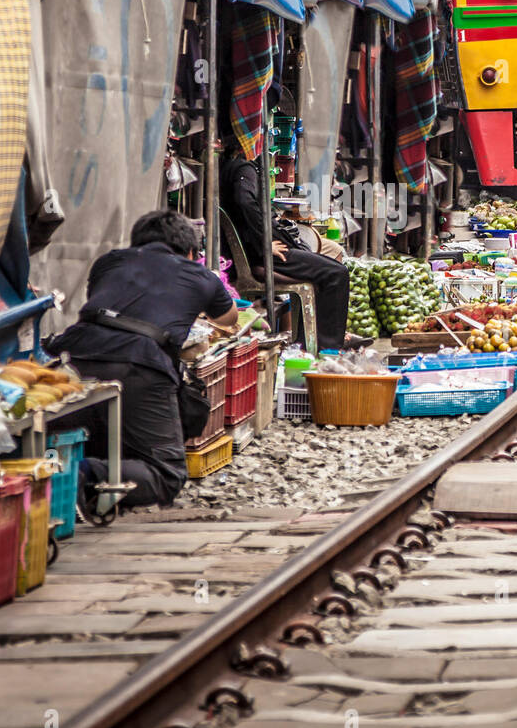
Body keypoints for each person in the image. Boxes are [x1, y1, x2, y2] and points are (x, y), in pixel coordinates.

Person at [45, 210, 236, 511]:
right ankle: (77, 477)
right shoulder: (200, 275)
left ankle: (57, 474)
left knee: (83, 434)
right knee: (167, 474)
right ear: (189, 251)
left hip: (72, 356)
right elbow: (228, 317)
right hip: (140, 363)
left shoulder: (109, 262)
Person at [220, 148, 351, 351]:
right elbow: (244, 201)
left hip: (266, 251)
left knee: (330, 263)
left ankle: (309, 343)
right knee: (336, 274)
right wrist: (264, 243)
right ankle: (329, 349)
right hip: (266, 255)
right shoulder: (242, 168)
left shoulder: (234, 168)